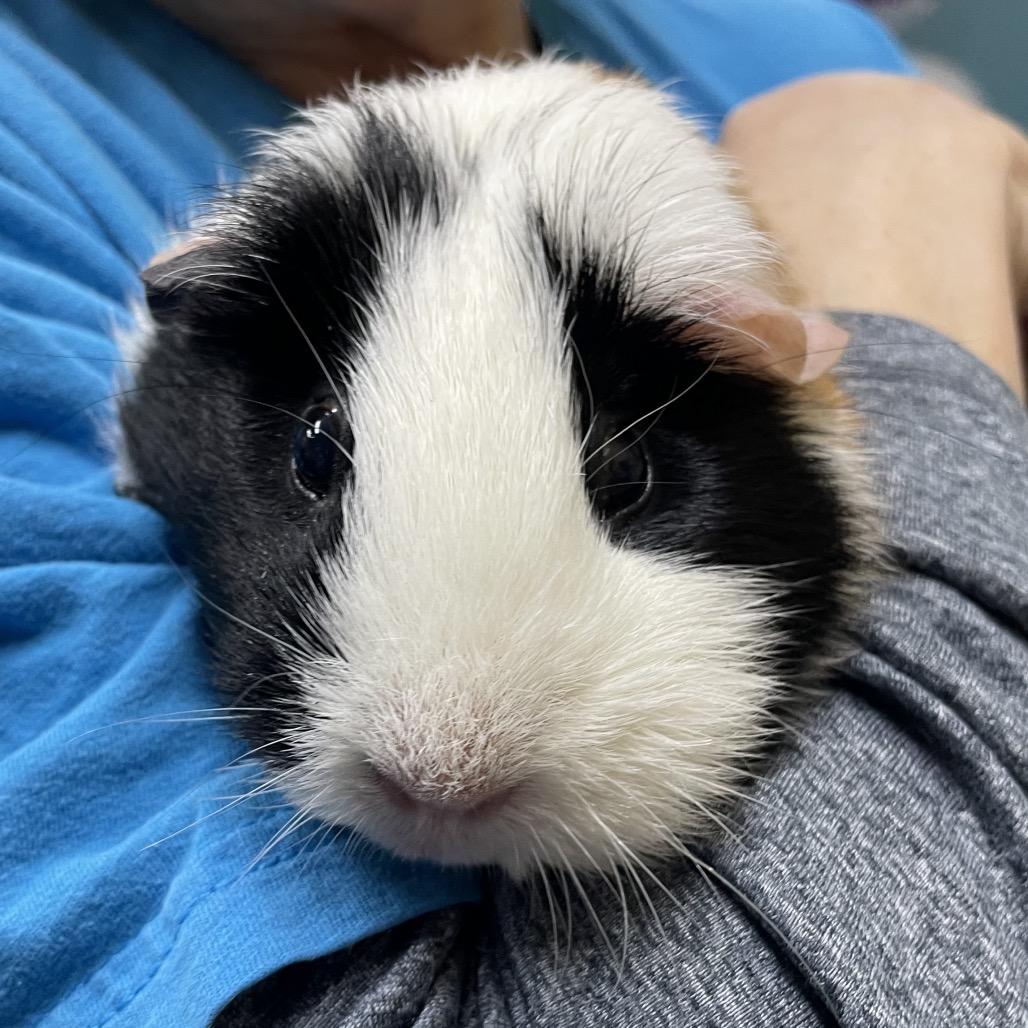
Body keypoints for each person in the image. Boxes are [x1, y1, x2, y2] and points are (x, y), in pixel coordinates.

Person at [0, 2, 1024, 1026]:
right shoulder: (33, 167)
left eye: (620, 481)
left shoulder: (779, 28)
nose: (440, 765)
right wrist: (926, 344)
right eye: (321, 458)